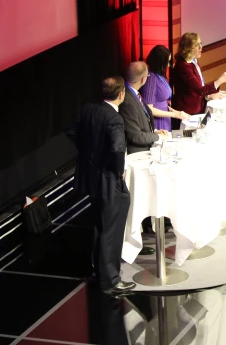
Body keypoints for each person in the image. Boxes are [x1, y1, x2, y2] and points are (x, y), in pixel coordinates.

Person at [65, 77, 134, 295]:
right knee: (110, 229)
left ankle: (99, 271)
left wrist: (89, 155)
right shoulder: (114, 118)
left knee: (99, 225)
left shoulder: (89, 110)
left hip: (91, 179)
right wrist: (118, 169)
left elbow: (71, 130)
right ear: (121, 94)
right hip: (108, 180)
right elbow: (116, 148)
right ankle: (111, 280)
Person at [172, 33, 226, 118]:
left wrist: (209, 95)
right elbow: (199, 90)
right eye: (196, 45)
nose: (200, 47)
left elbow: (197, 87)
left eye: (200, 44)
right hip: (188, 112)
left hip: (197, 106)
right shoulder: (183, 66)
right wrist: (221, 80)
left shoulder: (193, 62)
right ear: (187, 48)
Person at [119, 62, 170, 155]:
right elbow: (135, 136)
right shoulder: (127, 100)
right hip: (138, 153)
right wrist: (157, 137)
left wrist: (154, 131)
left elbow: (141, 122)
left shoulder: (133, 93)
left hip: (145, 147)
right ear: (142, 79)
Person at [140, 45, 189, 131]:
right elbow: (149, 108)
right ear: (160, 62)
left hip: (165, 118)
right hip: (158, 122)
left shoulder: (159, 75)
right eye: (167, 62)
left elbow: (161, 102)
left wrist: (177, 112)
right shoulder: (151, 78)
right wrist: (174, 115)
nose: (169, 65)